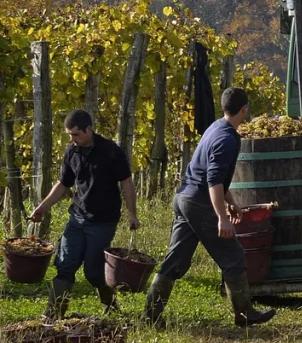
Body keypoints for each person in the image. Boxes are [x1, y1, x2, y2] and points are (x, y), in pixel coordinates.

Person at [145, 86, 276, 328]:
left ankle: (150, 317)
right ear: (244, 109)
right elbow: (213, 181)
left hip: (184, 198)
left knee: (176, 260)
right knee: (233, 255)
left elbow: (215, 176)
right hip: (198, 202)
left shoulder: (216, 127)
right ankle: (244, 313)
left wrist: (232, 203)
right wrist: (221, 217)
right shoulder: (226, 139)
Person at [30, 108, 140, 318]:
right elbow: (63, 184)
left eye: (76, 134)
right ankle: (53, 315)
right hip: (77, 218)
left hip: (103, 222)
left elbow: (126, 182)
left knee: (93, 271)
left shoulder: (111, 152)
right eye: (70, 135)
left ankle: (111, 308)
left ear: (88, 129)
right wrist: (42, 207)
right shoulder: (72, 152)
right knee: (65, 266)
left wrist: (132, 213)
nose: (73, 139)